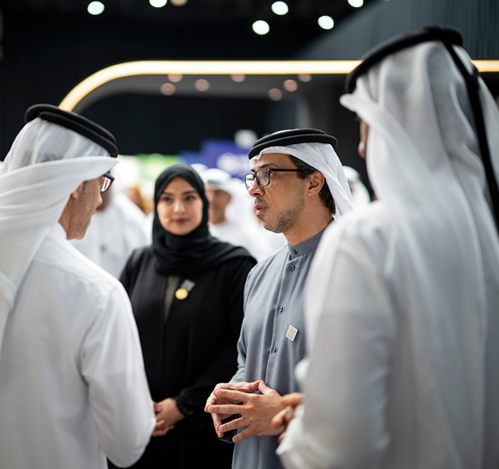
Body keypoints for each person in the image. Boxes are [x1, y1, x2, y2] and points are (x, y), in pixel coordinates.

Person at [276, 27, 499, 468]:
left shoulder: (367, 237)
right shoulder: (488, 232)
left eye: (366, 125)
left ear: (390, 128)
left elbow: (338, 449)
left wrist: (306, 429)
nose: (361, 146)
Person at [0, 104, 155, 469]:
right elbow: (127, 444)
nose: (99, 200)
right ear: (76, 185)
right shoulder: (96, 293)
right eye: (101, 183)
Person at [204, 129, 354, 469]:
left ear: (314, 182)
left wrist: (287, 413)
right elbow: (246, 362)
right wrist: (232, 398)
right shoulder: (259, 274)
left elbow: (376, 388)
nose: (254, 189)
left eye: (268, 174)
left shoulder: (354, 269)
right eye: (253, 177)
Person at [116, 164, 256, 469]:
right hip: (142, 422)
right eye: (167, 199)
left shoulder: (234, 265)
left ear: (203, 204)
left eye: (189, 198)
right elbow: (117, 336)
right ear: (156, 205)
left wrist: (183, 405)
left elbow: (238, 347)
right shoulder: (140, 262)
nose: (178, 208)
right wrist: (136, 401)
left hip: (204, 425)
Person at [70, 176, 149, 277]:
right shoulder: (75, 212)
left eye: (103, 181)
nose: (99, 189)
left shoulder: (131, 217)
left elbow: (143, 263)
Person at [200, 167, 275, 261]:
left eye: (217, 193)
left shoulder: (244, 237)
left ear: (229, 198)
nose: (211, 200)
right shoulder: (195, 234)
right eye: (207, 193)